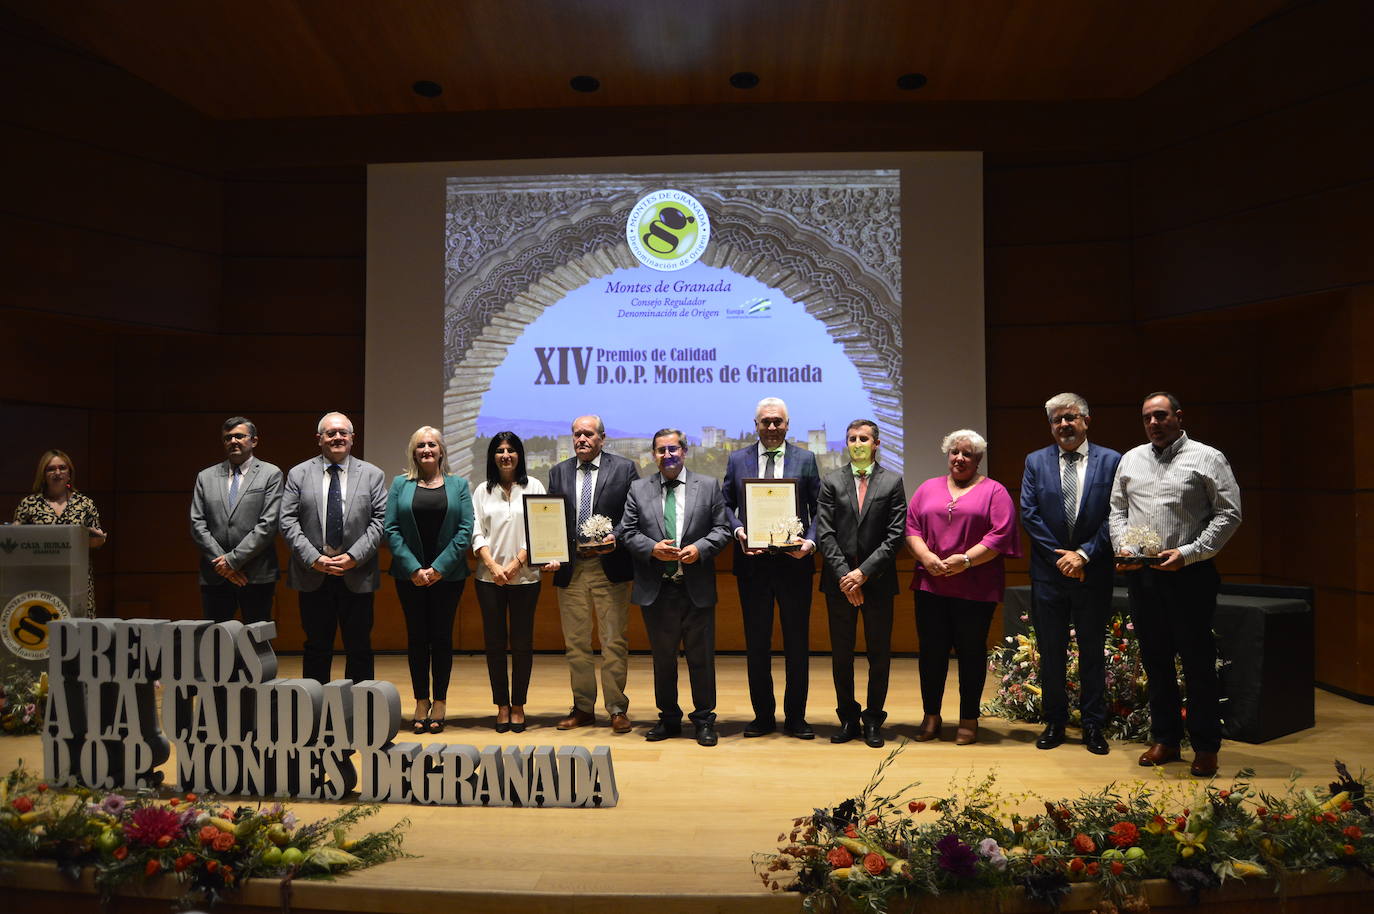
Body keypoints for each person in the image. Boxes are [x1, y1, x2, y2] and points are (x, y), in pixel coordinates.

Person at [1110, 391, 1241, 778]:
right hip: (1144, 576)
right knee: (1156, 661)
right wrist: (1125, 547)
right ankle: (1165, 739)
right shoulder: (1130, 459)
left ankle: (1205, 746)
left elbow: (1229, 513)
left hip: (1190, 574)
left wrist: (1190, 552)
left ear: (1178, 417)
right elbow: (1117, 510)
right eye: (1148, 417)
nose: (1154, 423)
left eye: (1162, 415)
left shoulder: (1207, 457)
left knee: (1197, 663)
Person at [1019, 394, 1121, 755]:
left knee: (1092, 651)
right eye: (1056, 420)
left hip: (1092, 573)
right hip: (1049, 575)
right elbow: (1029, 514)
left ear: (1086, 420)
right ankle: (1055, 721)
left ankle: (1094, 725)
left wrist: (1083, 555)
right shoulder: (1035, 462)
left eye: (1070, 418)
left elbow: (1117, 515)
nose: (1064, 425)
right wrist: (1062, 558)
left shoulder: (1112, 461)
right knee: (1051, 652)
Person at [905, 429, 1020, 746]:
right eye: (955, 452)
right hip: (931, 585)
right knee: (931, 654)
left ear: (979, 459)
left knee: (971, 654)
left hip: (975, 588)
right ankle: (931, 715)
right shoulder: (927, 488)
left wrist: (966, 560)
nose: (960, 458)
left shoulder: (995, 492)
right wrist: (926, 557)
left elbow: (1000, 537)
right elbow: (911, 527)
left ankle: (968, 718)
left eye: (967, 453)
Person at [619, 429, 731, 746]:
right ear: (653, 455)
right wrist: (652, 548)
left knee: (701, 659)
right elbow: (627, 532)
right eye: (660, 450)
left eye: (673, 449)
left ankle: (704, 720)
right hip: (658, 589)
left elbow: (722, 530)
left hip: (695, 587)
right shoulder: (639, 489)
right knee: (663, 660)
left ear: (684, 451)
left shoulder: (708, 486)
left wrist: (702, 549)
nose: (667, 455)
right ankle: (668, 719)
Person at [723, 397, 821, 739]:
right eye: (765, 422)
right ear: (756, 425)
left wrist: (809, 543)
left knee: (797, 644)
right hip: (753, 566)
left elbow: (819, 509)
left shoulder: (805, 459)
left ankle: (796, 717)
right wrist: (738, 530)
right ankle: (763, 716)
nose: (772, 427)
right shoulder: (738, 460)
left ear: (788, 424)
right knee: (757, 643)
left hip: (795, 565)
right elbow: (724, 505)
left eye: (778, 421)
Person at [815, 419, 907, 748]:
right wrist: (847, 577)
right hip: (839, 584)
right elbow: (824, 534)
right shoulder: (831, 482)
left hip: (878, 582)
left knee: (878, 655)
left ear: (876, 443)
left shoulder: (892, 482)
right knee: (842, 655)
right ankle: (848, 718)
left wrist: (863, 574)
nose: (857, 443)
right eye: (852, 438)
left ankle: (873, 720)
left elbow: (895, 537)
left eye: (864, 438)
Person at [545, 415, 639, 733]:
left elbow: (632, 514)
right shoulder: (558, 472)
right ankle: (583, 707)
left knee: (613, 641)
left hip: (609, 567)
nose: (581, 439)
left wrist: (618, 536)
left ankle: (616, 708)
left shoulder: (624, 468)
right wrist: (550, 552)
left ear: (602, 437)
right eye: (576, 434)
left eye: (588, 434)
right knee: (576, 644)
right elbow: (551, 519)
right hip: (572, 569)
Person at [279, 412, 387, 684]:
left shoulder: (372, 474)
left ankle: (362, 713)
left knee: (359, 647)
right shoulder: (299, 474)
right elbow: (287, 520)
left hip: (357, 573)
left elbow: (381, 520)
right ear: (319, 439)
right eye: (330, 433)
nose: (337, 437)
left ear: (352, 438)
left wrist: (353, 557)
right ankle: (314, 714)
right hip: (313, 574)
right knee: (316, 647)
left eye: (343, 433)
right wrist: (314, 558)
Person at [384, 426, 473, 735]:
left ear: (441, 450)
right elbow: (390, 528)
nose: (426, 449)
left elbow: (465, 530)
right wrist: (413, 569)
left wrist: (437, 569)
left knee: (442, 639)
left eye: (432, 444)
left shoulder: (459, 485)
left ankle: (441, 701)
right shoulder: (400, 484)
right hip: (409, 578)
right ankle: (421, 701)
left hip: (448, 577)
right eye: (420, 445)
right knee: (417, 639)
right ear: (414, 451)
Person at [470, 432, 543, 733]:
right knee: (495, 644)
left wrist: (515, 564)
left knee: (523, 644)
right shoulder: (481, 491)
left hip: (526, 578)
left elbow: (538, 528)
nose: (505, 455)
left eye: (511, 450)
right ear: (492, 456)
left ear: (519, 454)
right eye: (499, 450)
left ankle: (519, 705)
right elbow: (476, 531)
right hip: (489, 579)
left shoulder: (534, 486)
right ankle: (501, 705)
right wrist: (492, 564)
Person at [189, 417, 284, 624]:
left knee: (257, 643)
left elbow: (268, 525)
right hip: (215, 574)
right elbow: (197, 524)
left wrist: (233, 561)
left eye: (239, 436)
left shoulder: (271, 474)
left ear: (254, 441)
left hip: (257, 574)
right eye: (228, 437)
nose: (233, 441)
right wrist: (224, 565)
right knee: (215, 644)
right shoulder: (205, 476)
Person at [13, 449, 106, 617]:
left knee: (78, 634)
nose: (57, 472)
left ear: (69, 474)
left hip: (77, 581)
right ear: (43, 474)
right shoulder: (29, 504)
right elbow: (16, 543)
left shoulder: (85, 504)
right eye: (51, 469)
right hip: (40, 581)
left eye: (62, 468)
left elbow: (97, 542)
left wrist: (97, 538)